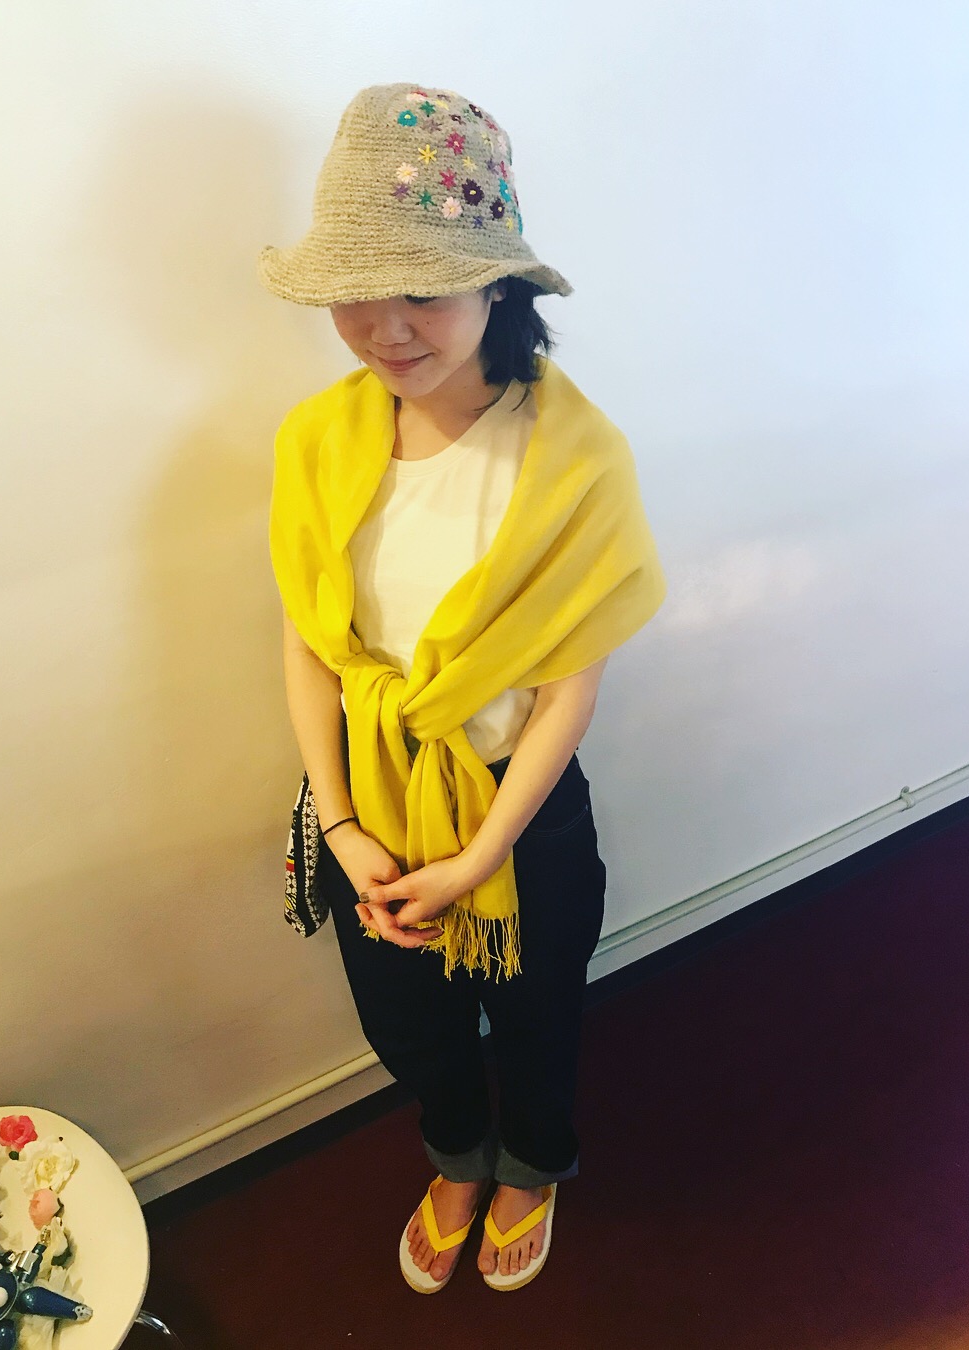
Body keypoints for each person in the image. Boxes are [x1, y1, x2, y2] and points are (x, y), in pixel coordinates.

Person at [260, 82, 665, 1293]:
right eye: (357, 292)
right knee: (407, 1024)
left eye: (424, 292)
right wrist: (343, 828)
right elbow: (311, 645)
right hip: (367, 805)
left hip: (518, 813)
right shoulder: (318, 440)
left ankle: (533, 1162)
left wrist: (485, 852)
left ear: (499, 286)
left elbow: (567, 691)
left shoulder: (574, 460)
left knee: (541, 1013)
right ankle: (456, 1153)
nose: (385, 330)